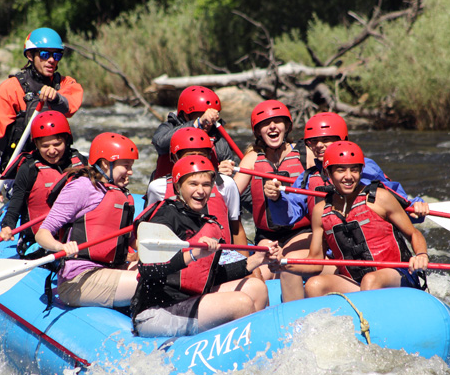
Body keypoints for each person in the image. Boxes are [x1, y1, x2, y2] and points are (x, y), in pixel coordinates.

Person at [131, 155, 279, 337]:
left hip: (189, 299)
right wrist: (193, 255)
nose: (201, 191)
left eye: (206, 184)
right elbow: (147, 270)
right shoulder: (164, 218)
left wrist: (256, 260)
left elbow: (210, 276)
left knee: (256, 288)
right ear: (178, 186)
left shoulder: (203, 221)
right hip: (157, 311)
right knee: (241, 302)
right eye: (193, 184)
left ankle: (256, 344)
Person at [285, 141, 429, 296]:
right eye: (341, 171)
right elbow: (315, 262)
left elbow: (413, 234)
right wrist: (284, 266)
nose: (348, 177)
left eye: (354, 170)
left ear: (361, 171)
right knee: (314, 285)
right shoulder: (321, 211)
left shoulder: (379, 198)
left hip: (397, 274)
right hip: (356, 281)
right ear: (327, 173)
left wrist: (421, 254)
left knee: (370, 280)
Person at [0, 27, 84, 207]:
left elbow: (70, 105)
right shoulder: (11, 89)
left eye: (56, 55)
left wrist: (56, 97)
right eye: (44, 54)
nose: (51, 60)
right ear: (30, 55)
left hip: (57, 159)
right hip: (21, 168)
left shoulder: (65, 84)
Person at [264, 112, 429, 226]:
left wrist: (416, 208)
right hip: (332, 248)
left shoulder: (365, 167)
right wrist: (277, 199)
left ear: (342, 139)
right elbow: (284, 219)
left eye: (326, 139)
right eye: (313, 141)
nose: (319, 146)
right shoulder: (307, 178)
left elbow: (398, 200)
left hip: (369, 243)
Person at [34, 132, 138, 309]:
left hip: (111, 270)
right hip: (79, 278)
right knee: (149, 282)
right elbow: (42, 234)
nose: (130, 172)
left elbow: (131, 240)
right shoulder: (82, 187)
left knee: (159, 271)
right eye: (126, 166)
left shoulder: (121, 195)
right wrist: (61, 247)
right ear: (106, 163)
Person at [231, 100, 311, 292]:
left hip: (302, 232)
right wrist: (222, 179)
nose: (272, 126)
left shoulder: (304, 154)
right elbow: (229, 196)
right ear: (258, 132)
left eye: (277, 122)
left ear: (287, 127)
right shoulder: (252, 159)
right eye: (266, 123)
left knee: (286, 261)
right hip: (267, 236)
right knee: (258, 279)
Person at [0, 110, 86, 256]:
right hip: (38, 240)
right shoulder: (29, 168)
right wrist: (7, 225)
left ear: (67, 140)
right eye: (45, 146)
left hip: (74, 237)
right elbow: (16, 203)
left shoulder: (80, 162)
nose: (52, 151)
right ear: (36, 144)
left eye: (57, 144)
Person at [146, 126, 247, 248]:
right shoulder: (158, 187)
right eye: (190, 156)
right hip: (179, 259)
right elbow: (149, 229)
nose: (196, 160)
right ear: (174, 158)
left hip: (219, 258)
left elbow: (237, 229)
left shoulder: (226, 184)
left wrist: (247, 264)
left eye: (201, 156)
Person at [151, 85, 236, 179]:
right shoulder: (169, 127)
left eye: (210, 120)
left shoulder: (218, 139)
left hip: (204, 190)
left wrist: (225, 174)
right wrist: (197, 124)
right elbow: (159, 143)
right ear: (186, 115)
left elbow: (236, 181)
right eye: (203, 119)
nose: (207, 124)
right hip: (168, 190)